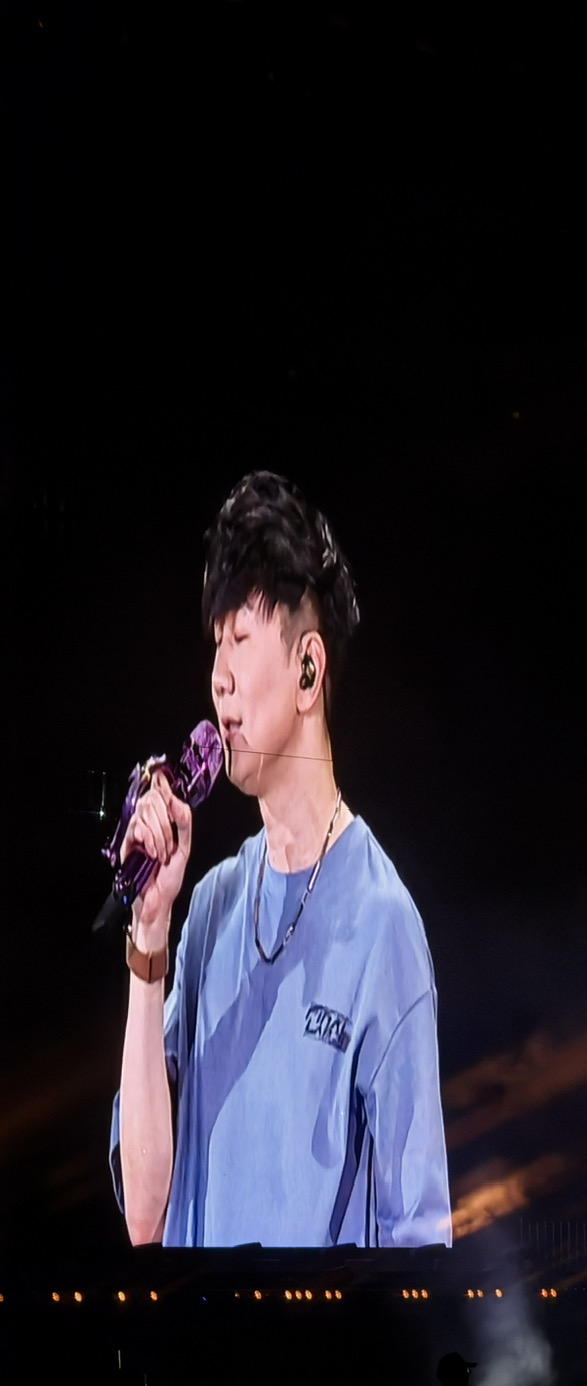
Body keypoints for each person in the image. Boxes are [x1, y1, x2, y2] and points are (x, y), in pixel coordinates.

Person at [110, 471, 451, 1248]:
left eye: (240, 639)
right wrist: (150, 936)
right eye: (216, 644)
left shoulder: (381, 923)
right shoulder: (211, 909)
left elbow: (418, 1239)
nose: (219, 677)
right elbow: (145, 1213)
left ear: (307, 670)